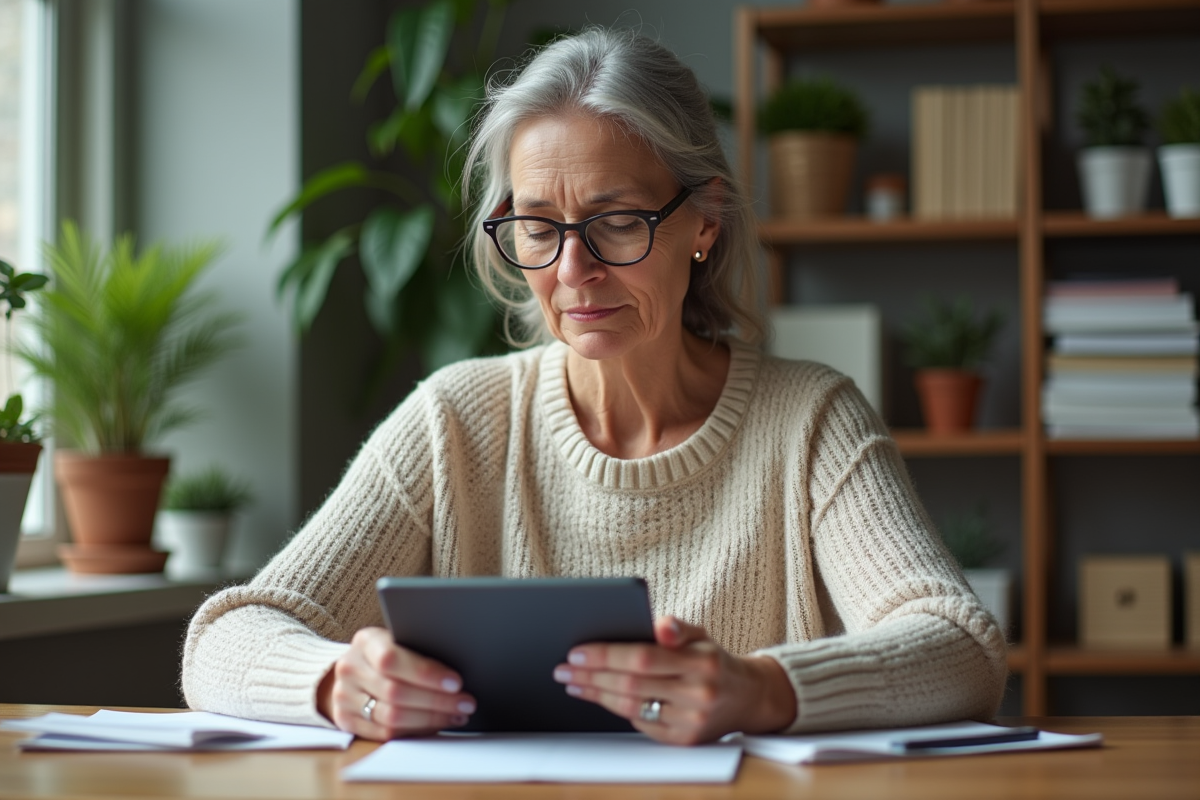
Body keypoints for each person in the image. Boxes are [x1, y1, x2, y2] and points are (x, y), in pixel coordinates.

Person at [182, 27, 1006, 746]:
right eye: (538, 226)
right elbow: (225, 638)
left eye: (616, 222)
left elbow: (961, 647)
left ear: (704, 220)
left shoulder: (810, 421)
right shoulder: (453, 421)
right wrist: (337, 681)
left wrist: (761, 690)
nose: (573, 270)